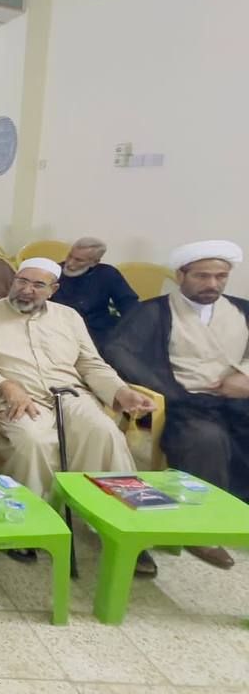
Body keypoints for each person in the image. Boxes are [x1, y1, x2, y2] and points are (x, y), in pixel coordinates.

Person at [0, 258, 158, 573]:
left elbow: (90, 363)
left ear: (53, 289)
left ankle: (124, 529)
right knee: (33, 440)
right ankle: (23, 523)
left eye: (38, 285)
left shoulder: (69, 317)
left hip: (71, 394)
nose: (27, 290)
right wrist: (5, 385)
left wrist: (120, 391)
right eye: (22, 281)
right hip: (18, 397)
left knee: (105, 434)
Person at [104, 241, 249, 570]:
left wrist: (244, 376)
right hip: (186, 402)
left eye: (220, 277)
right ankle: (202, 528)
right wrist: (167, 390)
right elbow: (119, 351)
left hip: (240, 400)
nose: (212, 284)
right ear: (181, 275)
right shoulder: (153, 311)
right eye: (202, 276)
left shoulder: (242, 309)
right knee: (207, 439)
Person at [50, 237, 139, 350]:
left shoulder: (107, 274)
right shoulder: (53, 271)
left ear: (94, 262)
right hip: (59, 329)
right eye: (70, 256)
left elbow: (128, 304)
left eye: (79, 260)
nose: (70, 263)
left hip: (96, 330)